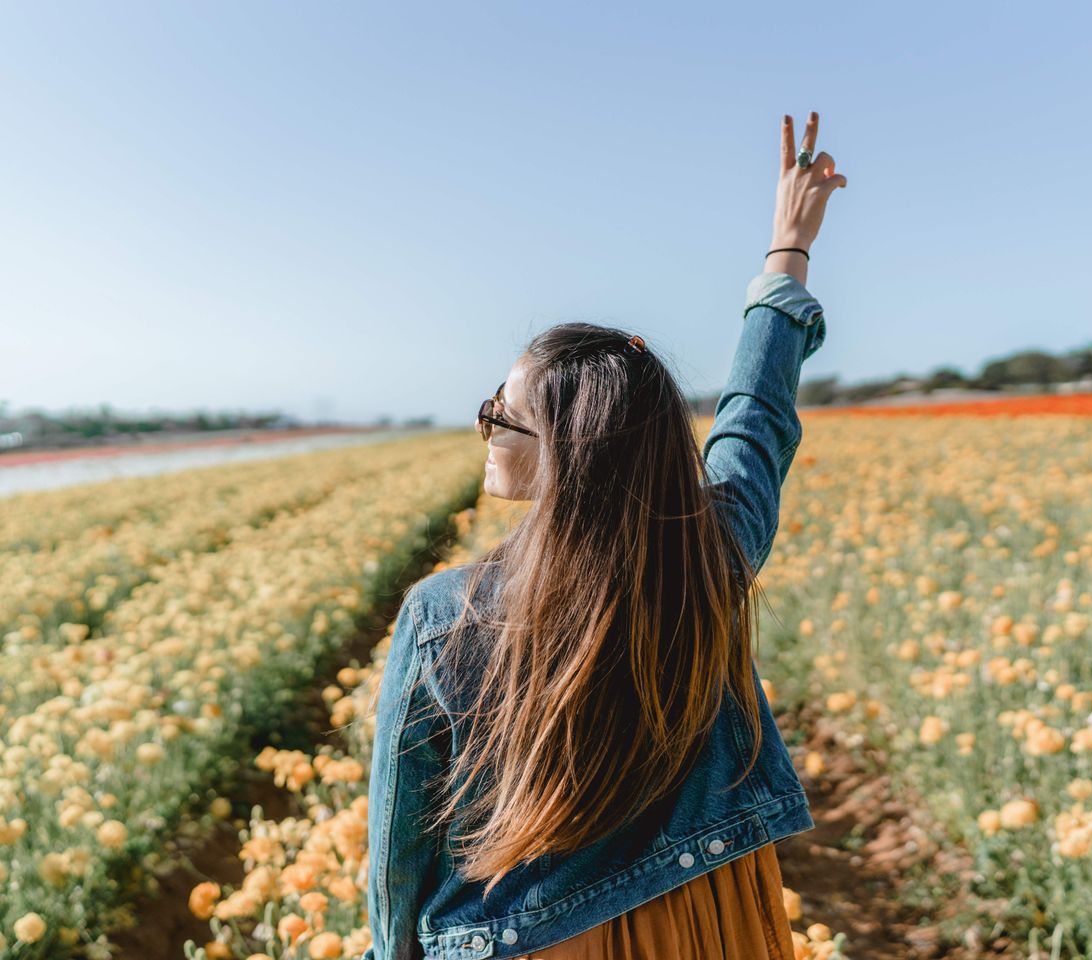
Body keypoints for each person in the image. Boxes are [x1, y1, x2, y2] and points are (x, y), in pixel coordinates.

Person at [363, 110, 847, 960]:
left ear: (570, 453)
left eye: (500, 417)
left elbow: (400, 855)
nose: (485, 429)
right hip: (708, 916)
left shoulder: (444, 617)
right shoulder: (709, 558)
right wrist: (788, 250)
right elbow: (753, 423)